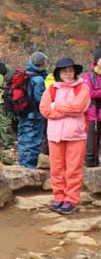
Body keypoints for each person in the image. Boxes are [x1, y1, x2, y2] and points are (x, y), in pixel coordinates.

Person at [40, 57, 90, 215]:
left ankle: (71, 200)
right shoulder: (51, 89)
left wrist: (56, 106)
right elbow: (45, 110)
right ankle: (59, 197)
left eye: (70, 70)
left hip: (76, 135)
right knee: (57, 169)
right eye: (64, 71)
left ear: (75, 72)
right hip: (55, 135)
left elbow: (78, 108)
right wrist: (65, 112)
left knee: (73, 169)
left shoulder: (82, 87)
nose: (68, 73)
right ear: (58, 73)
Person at [17, 52, 49, 169]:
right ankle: (29, 166)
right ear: (43, 63)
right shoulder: (38, 79)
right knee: (33, 141)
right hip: (34, 115)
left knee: (24, 139)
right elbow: (40, 98)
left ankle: (22, 163)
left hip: (24, 112)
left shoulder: (26, 74)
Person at [82, 49, 101, 167]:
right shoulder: (89, 75)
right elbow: (88, 92)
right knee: (92, 141)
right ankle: (91, 163)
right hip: (94, 113)